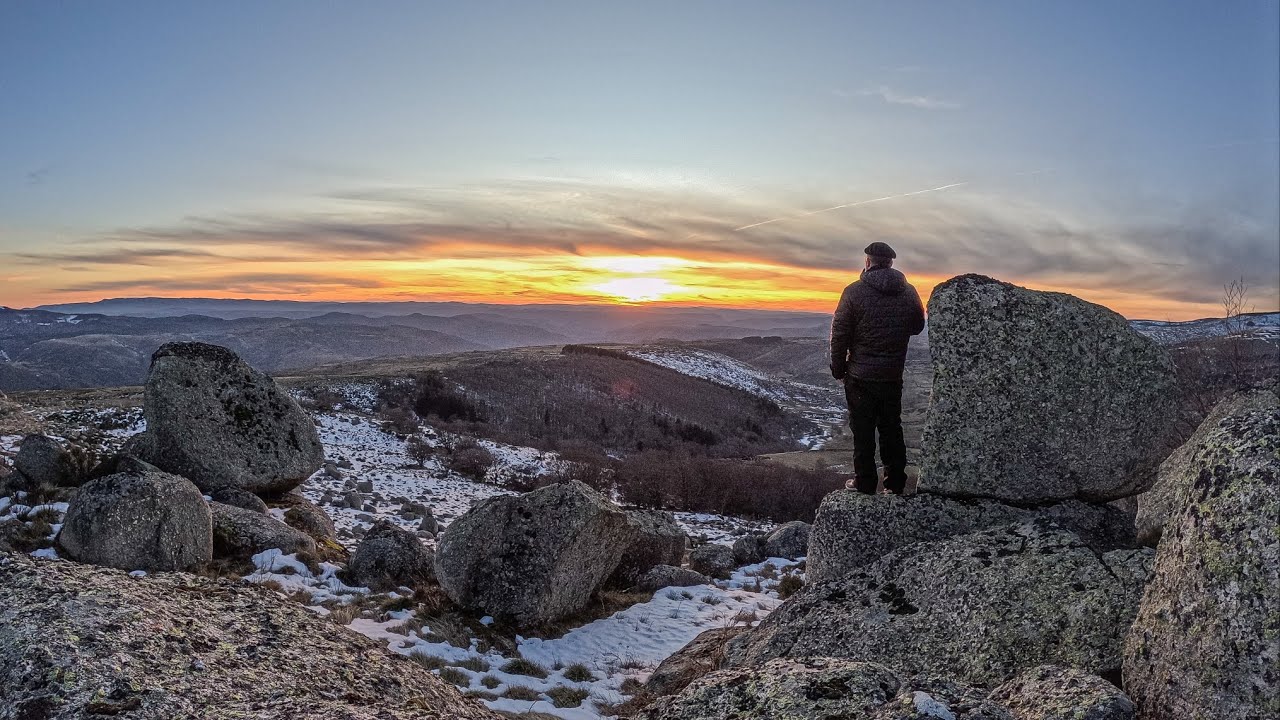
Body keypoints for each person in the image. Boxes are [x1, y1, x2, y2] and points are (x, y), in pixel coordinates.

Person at [829, 241, 926, 495]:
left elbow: (840, 335)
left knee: (862, 432)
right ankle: (894, 484)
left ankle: (865, 483)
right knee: (891, 428)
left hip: (860, 376)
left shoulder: (853, 292)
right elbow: (917, 326)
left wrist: (838, 369)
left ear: (868, 261)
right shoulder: (909, 292)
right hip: (892, 375)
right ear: (891, 262)